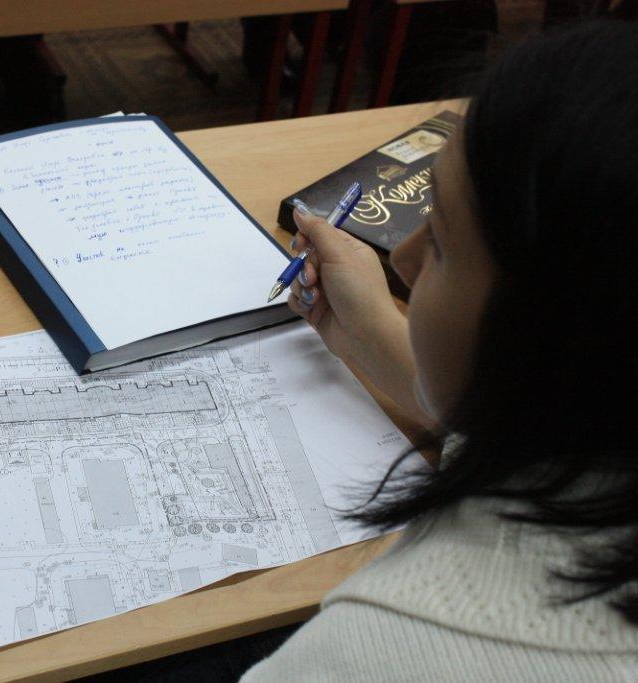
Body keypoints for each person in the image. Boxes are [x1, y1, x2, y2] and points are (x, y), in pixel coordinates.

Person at [242, 19, 638, 680]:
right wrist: (369, 327)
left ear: (555, 325)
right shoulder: (601, 421)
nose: (402, 256)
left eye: (444, 241)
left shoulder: (372, 652)